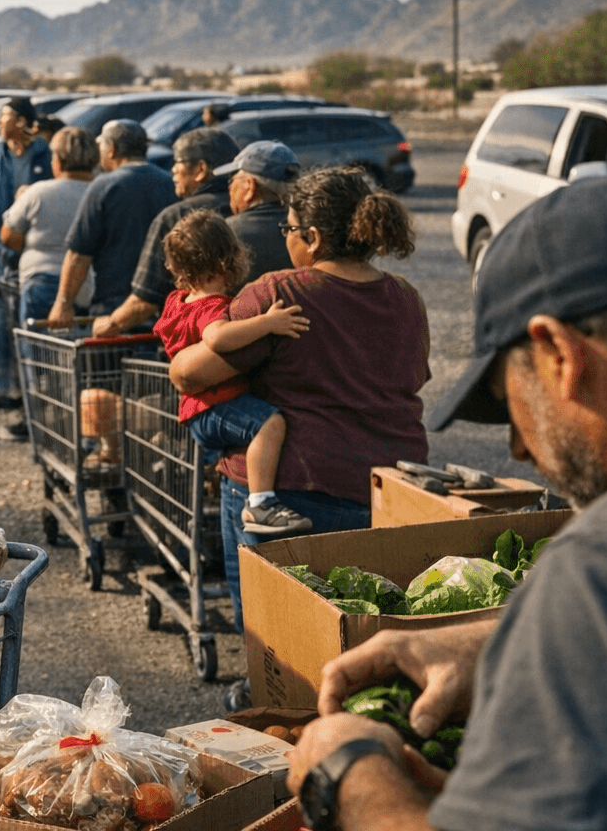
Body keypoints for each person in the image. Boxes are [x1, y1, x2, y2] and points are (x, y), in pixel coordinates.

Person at [289, 174, 607, 831]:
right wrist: (509, 641)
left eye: (508, 404)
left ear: (558, 352)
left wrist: (347, 773)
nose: (518, 450)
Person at [168, 165, 427, 625]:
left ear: (311, 237)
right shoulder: (407, 298)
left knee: (279, 638)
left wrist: (178, 361)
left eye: (287, 228)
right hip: (389, 490)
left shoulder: (279, 294)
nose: (284, 238)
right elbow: (415, 377)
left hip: (292, 494)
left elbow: (190, 377)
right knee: (368, 628)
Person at [156, 210, 312, 534]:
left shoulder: (177, 300)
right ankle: (261, 503)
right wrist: (268, 322)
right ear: (228, 260)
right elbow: (217, 338)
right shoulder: (212, 306)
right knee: (270, 423)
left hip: (198, 409)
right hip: (214, 405)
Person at [96, 133, 296, 337]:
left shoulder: (188, 223)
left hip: (217, 350)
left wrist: (110, 325)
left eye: (233, 180)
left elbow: (145, 301)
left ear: (249, 187)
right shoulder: (302, 234)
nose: (173, 169)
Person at [0, 125, 99, 442]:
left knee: (34, 358)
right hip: (85, 285)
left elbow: (9, 237)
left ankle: (37, 423)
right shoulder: (100, 192)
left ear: (58, 160)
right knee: (77, 359)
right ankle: (78, 426)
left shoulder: (39, 193)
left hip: (40, 280)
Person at [49, 118, 177, 329]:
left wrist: (63, 304)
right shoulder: (169, 183)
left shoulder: (104, 186)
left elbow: (79, 254)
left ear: (112, 149)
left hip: (113, 306)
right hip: (162, 305)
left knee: (107, 362)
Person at [0, 97, 52, 411]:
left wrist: (25, 247)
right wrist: (2, 246)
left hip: (36, 251)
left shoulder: (44, 154)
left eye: (5, 115)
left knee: (30, 322)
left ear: (21, 121)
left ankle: (33, 393)